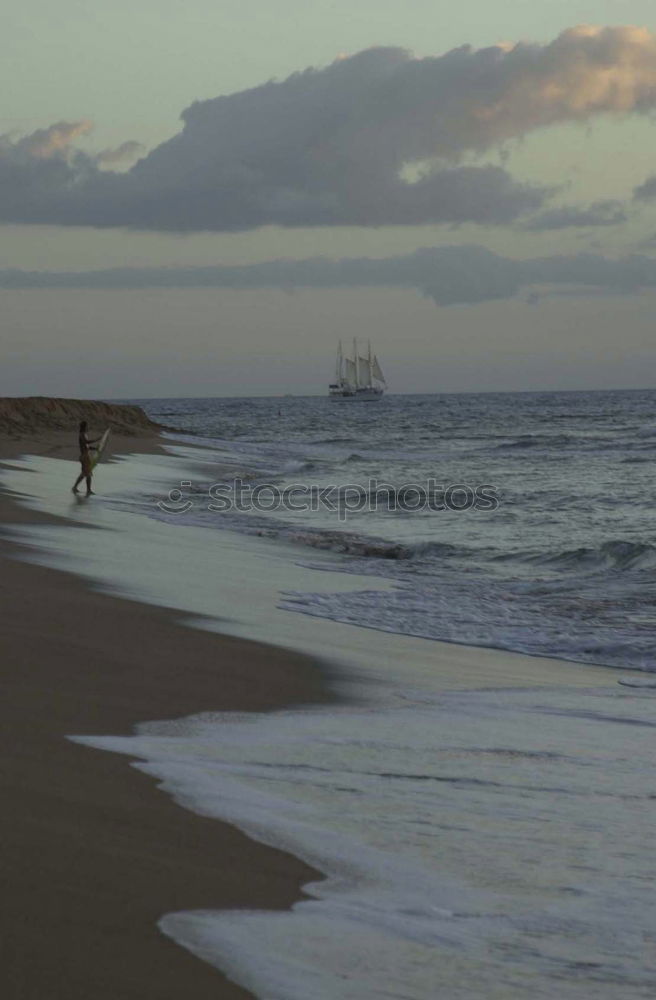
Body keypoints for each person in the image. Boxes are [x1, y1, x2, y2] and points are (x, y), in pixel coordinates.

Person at [72, 421, 101, 496]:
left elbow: (87, 446)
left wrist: (95, 449)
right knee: (88, 474)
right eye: (87, 426)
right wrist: (96, 439)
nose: (88, 427)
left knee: (84, 474)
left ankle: (74, 487)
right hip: (84, 457)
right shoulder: (82, 435)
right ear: (84, 427)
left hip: (85, 456)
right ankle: (88, 490)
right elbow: (86, 442)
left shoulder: (84, 434)